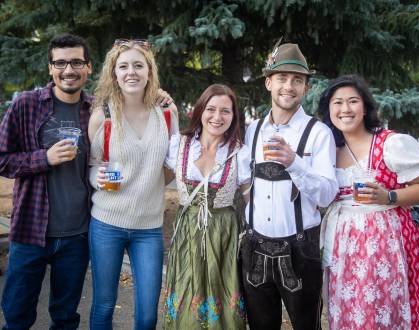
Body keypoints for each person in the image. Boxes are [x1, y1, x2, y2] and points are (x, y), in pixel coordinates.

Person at [318, 74, 419, 329]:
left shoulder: (390, 143)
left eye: (353, 101)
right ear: (328, 110)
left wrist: (390, 196)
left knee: (384, 312)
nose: (345, 109)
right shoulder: (328, 150)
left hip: (388, 245)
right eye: (337, 103)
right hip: (343, 247)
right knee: (350, 312)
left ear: (365, 107)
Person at [241, 43, 338, 330]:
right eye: (282, 78)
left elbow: (327, 194)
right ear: (269, 82)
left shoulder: (318, 133)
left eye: (297, 80)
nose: (289, 86)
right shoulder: (252, 129)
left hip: (301, 250)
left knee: (307, 325)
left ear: (306, 88)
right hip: (255, 246)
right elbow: (244, 180)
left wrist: (294, 162)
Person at [0, 33, 92, 329]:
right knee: (16, 316)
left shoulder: (97, 111)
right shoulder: (26, 105)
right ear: (50, 68)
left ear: (88, 67)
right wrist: (44, 158)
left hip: (77, 235)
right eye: (61, 63)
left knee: (65, 319)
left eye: (77, 62)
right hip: (30, 231)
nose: (69, 70)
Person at [87, 39, 178, 329]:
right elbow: (92, 166)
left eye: (138, 65)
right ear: (114, 73)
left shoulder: (166, 113)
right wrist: (96, 178)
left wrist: (150, 181)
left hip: (149, 228)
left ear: (149, 71)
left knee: (148, 312)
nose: (131, 72)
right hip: (106, 224)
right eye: (123, 66)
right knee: (103, 304)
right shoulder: (103, 114)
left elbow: (172, 166)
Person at [162, 84, 250, 329]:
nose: (217, 117)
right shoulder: (178, 144)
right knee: (185, 294)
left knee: (223, 298)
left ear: (233, 116)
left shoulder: (239, 153)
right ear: (200, 110)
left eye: (225, 111)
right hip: (187, 232)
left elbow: (251, 200)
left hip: (223, 234)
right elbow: (153, 177)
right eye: (211, 109)